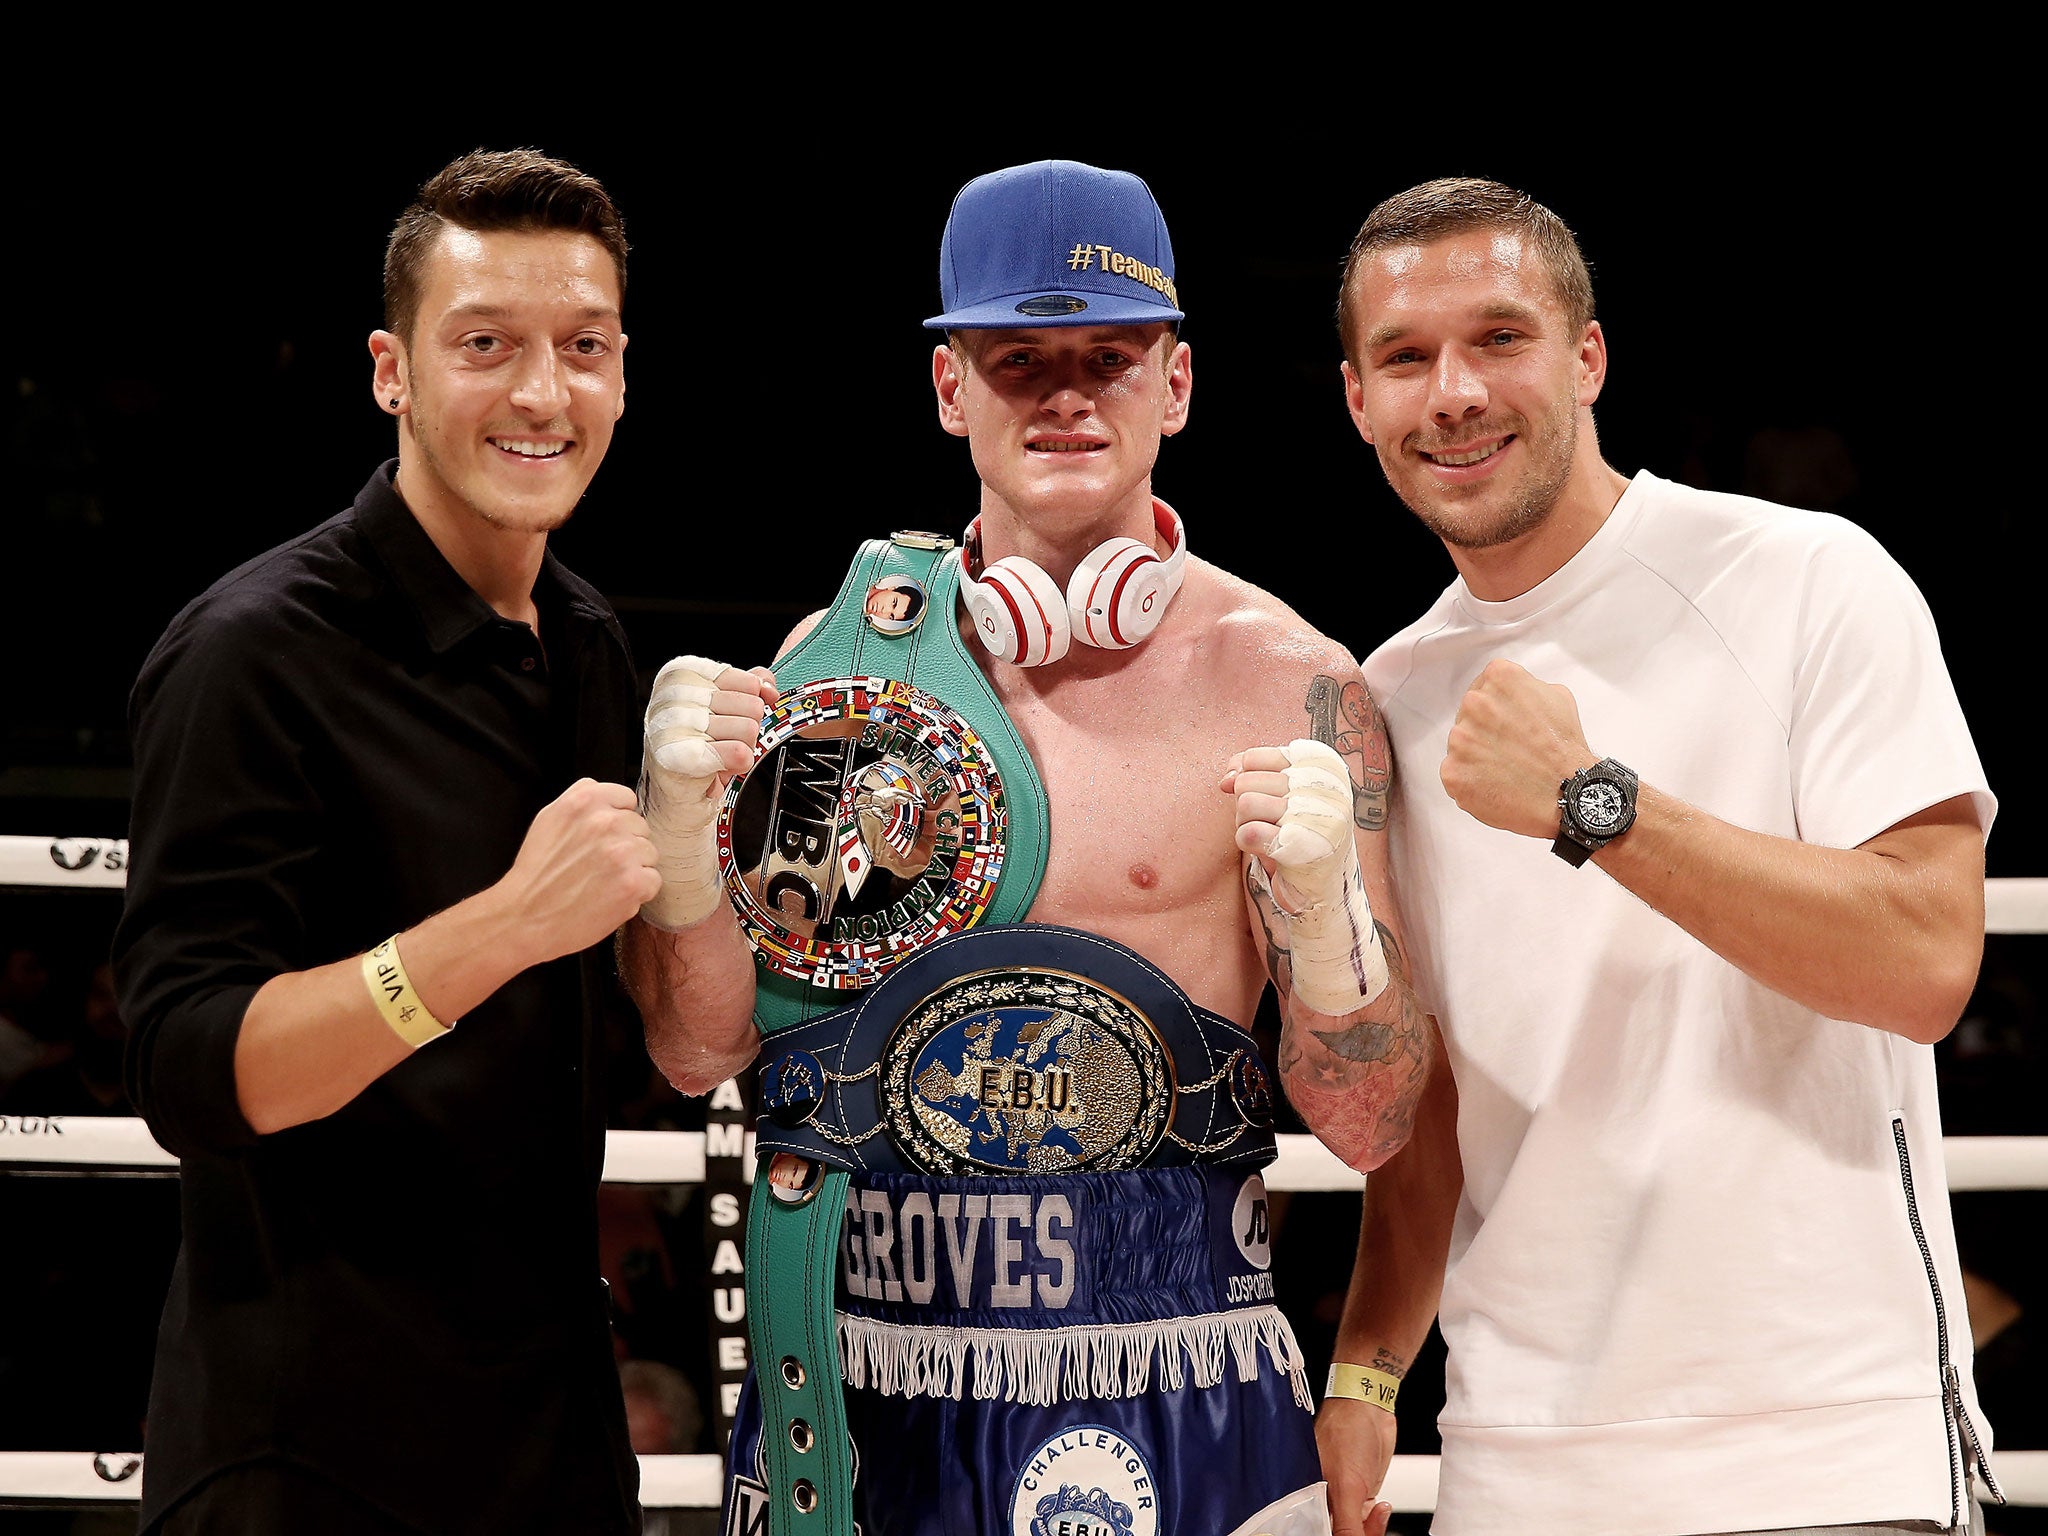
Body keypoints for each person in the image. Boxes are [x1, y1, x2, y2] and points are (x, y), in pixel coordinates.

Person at [618, 160, 1434, 1536]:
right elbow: (699, 1049)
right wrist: (677, 845)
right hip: (866, 1374)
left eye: (1107, 358)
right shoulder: (847, 670)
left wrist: (1325, 933)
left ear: (1176, 385)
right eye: (1018, 358)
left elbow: (1373, 1124)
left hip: (1179, 1364)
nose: (1065, 394)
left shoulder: (1294, 686)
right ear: (950, 390)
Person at [1322, 177, 2002, 1535]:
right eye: (1406, 357)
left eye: (1499, 338)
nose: (1452, 392)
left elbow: (1926, 960)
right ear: (1358, 402)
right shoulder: (1383, 698)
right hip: (1520, 1462)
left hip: (1820, 1444)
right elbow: (1440, 1096)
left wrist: (1594, 804)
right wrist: (1368, 1365)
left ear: (1589, 358)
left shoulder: (1808, 579)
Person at [111, 147, 765, 1536]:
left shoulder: (587, 644)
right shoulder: (252, 654)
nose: (543, 392)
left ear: (626, 372)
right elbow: (189, 1071)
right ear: (389, 371)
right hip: (306, 1451)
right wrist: (502, 930)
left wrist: (707, 849)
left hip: (553, 1438)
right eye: (485, 345)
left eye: (583, 347)